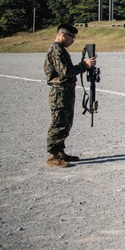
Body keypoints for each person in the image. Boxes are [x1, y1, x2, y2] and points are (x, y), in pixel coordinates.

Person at [43, 23, 96, 167]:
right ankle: (53, 156)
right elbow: (65, 71)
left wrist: (82, 66)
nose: (72, 41)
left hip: (65, 92)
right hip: (59, 93)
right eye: (72, 38)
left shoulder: (60, 50)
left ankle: (60, 152)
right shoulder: (56, 50)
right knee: (59, 123)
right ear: (63, 35)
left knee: (66, 123)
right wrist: (84, 66)